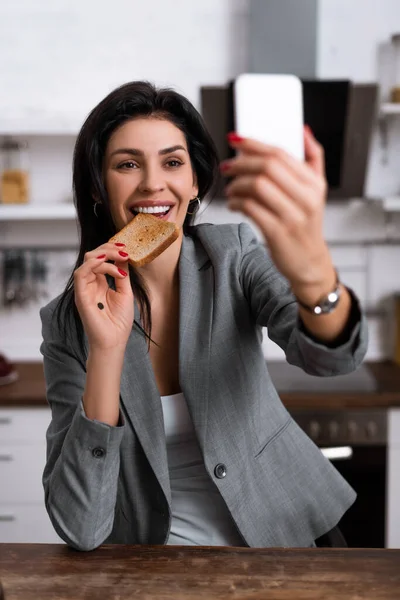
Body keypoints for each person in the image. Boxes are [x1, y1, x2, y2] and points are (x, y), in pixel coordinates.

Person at [40, 81, 367, 552]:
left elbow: (332, 360)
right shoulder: (68, 323)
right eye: (128, 164)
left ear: (194, 183)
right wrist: (107, 351)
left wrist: (315, 274)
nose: (153, 183)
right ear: (97, 184)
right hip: (160, 569)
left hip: (284, 541)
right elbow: (81, 527)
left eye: (172, 162)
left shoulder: (232, 254)